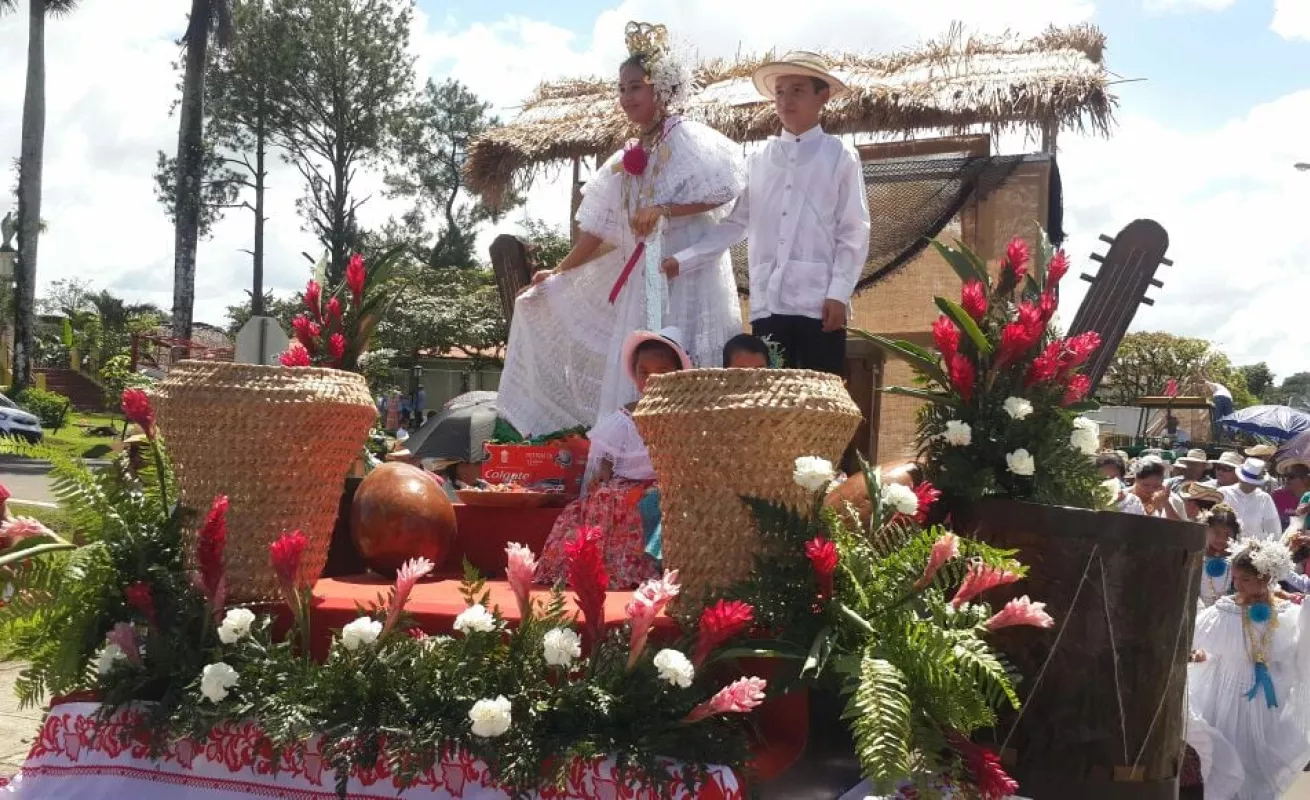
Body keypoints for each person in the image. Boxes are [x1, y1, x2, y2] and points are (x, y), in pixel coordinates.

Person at [497, 22, 744, 437]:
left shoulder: (686, 138)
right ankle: (630, 456)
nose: (626, 97)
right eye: (622, 89)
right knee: (640, 362)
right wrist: (559, 273)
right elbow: (598, 229)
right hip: (641, 275)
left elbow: (724, 188)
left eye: (635, 87)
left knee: (684, 357)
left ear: (661, 90)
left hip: (684, 269)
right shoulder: (627, 155)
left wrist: (664, 209)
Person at [661, 51, 870, 375]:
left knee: (819, 405)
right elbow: (735, 223)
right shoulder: (758, 159)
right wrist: (684, 259)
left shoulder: (840, 156)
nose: (786, 100)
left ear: (822, 96)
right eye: (780, 92)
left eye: (797, 90)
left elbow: (854, 230)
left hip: (820, 305)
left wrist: (839, 293)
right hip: (768, 305)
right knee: (769, 404)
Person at [534, 327, 691, 589]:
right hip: (627, 482)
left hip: (664, 483)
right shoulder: (626, 416)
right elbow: (608, 453)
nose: (652, 380)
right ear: (635, 374)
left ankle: (649, 567)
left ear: (676, 375)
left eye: (662, 373)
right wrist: (604, 471)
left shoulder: (684, 416)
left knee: (655, 499)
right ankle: (606, 568)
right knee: (607, 497)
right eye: (645, 372)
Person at [1189, 538, 1310, 800]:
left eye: (1244, 579)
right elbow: (1207, 640)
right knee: (1228, 749)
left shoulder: (1287, 612)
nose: (1236, 584)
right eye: (1235, 578)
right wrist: (1202, 653)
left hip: (1267, 697)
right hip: (1227, 690)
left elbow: (1294, 650)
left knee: (1258, 755)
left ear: (1265, 577)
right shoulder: (1226, 609)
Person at [1220, 458, 1283, 541]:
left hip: (1254, 550)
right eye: (1247, 482)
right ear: (1239, 478)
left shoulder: (1264, 498)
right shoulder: (1223, 493)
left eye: (1254, 483)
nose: (1250, 485)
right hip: (1223, 547)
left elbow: (1274, 530)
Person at [1199, 506, 1240, 608]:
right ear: (1206, 530)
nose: (1221, 539)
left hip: (1227, 610)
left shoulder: (1237, 561)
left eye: (1227, 534)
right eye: (1216, 532)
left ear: (1235, 535)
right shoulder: (1197, 557)